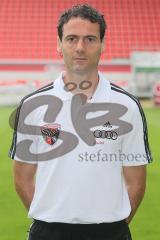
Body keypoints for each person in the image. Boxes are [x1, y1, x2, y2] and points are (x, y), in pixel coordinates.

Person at [9, 4, 152, 240]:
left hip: (110, 232)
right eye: (71, 38)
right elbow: (22, 177)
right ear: (59, 43)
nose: (80, 48)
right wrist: (51, 217)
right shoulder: (33, 105)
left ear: (102, 45)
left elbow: (136, 181)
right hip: (49, 231)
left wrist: (110, 224)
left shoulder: (127, 106)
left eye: (90, 39)